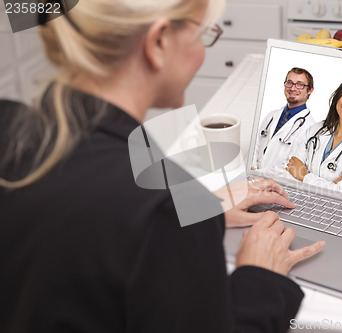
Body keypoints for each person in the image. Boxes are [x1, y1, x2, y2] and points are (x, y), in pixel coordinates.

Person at [0, 1, 324, 332]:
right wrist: (260, 277)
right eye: (201, 34)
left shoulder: (8, 123)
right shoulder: (160, 215)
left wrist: (199, 206)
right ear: (158, 42)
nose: (201, 51)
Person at [285, 71, 342, 199]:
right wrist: (331, 187)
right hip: (300, 206)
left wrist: (304, 176)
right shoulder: (315, 130)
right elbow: (289, 173)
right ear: (338, 96)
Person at [252, 67, 316, 170]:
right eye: (289, 83)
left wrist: (261, 175)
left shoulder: (310, 128)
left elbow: (293, 167)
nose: (293, 88)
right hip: (253, 177)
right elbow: (256, 145)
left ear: (310, 90)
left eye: (299, 85)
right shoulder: (271, 116)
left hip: (277, 183)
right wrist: (253, 169)